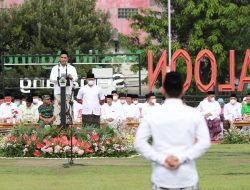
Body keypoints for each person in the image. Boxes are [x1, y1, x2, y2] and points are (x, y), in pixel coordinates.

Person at [134, 71, 210, 190]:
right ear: (183, 90)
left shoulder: (152, 114)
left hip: (161, 176)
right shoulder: (193, 114)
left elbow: (139, 142)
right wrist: (181, 158)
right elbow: (204, 142)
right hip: (187, 177)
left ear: (163, 90)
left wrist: (162, 159)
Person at [50, 50, 78, 125]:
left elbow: (76, 78)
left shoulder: (72, 68)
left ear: (67, 59)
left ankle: (68, 130)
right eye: (62, 57)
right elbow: (51, 79)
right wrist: (60, 78)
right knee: (57, 111)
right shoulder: (55, 68)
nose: (63, 59)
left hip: (68, 92)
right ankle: (58, 131)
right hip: (58, 92)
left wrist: (70, 77)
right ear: (59, 58)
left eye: (65, 58)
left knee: (68, 110)